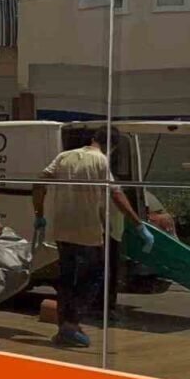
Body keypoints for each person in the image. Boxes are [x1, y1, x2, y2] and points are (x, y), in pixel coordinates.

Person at [32, 129, 153, 348]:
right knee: (95, 276)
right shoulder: (101, 161)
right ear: (112, 146)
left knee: (67, 280)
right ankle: (71, 324)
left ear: (93, 139)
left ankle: (65, 328)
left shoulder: (63, 157)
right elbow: (116, 195)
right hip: (87, 231)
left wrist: (39, 215)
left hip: (62, 229)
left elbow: (39, 184)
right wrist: (139, 225)